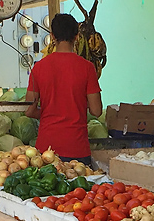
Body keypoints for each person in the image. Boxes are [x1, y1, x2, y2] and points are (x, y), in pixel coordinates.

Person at [25, 13, 103, 166]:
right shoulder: (87, 68)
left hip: (46, 150)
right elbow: (97, 110)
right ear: (76, 36)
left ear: (53, 36)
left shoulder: (39, 68)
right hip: (77, 149)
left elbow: (28, 110)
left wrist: (48, 113)